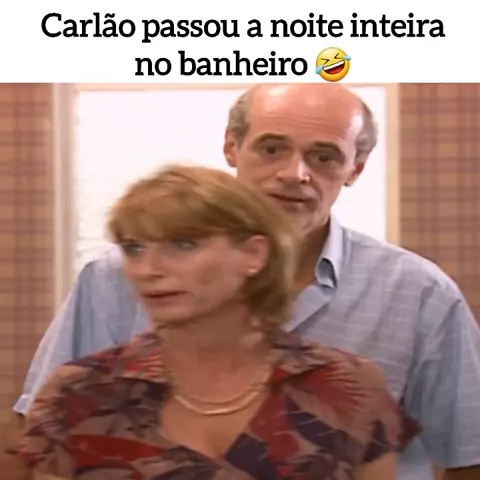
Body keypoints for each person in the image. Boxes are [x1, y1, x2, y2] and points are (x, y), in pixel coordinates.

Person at [10, 84, 480, 480]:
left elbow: (468, 455)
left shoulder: (418, 295)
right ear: (232, 147)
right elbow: (41, 434)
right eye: (272, 149)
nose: (294, 174)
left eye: (323, 157)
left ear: (354, 168)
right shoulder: (113, 279)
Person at [8, 165, 406, 479]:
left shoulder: (347, 387)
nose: (148, 269)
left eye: (182, 245)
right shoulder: (78, 394)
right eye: (134, 248)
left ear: (254, 255)